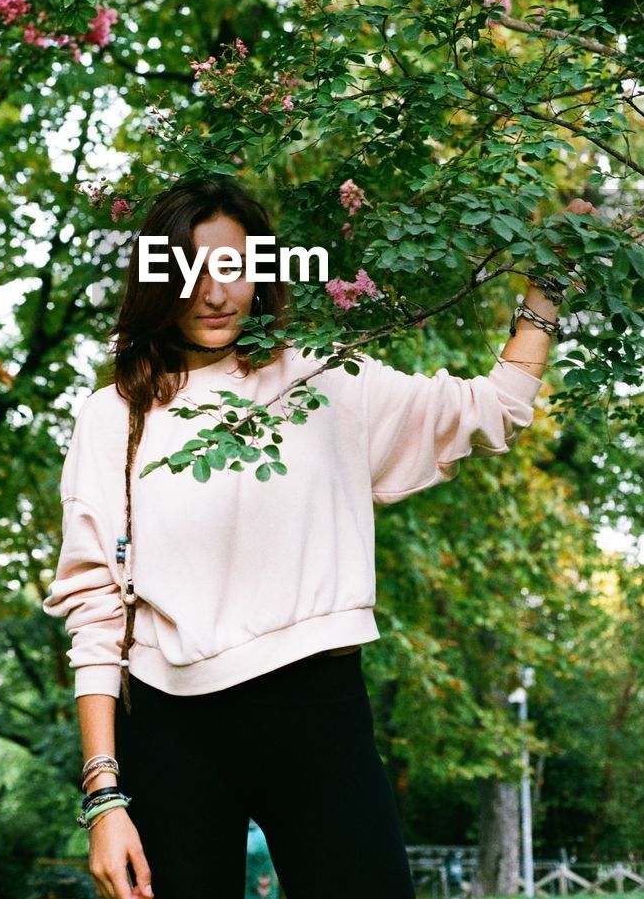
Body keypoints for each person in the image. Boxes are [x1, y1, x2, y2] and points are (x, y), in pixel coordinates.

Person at [42, 174, 594, 899]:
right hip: (171, 727)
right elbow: (94, 613)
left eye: (234, 268)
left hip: (315, 709)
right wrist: (104, 802)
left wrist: (547, 283)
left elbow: (495, 409)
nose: (214, 292)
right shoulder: (110, 416)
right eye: (191, 270)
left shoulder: (324, 383)